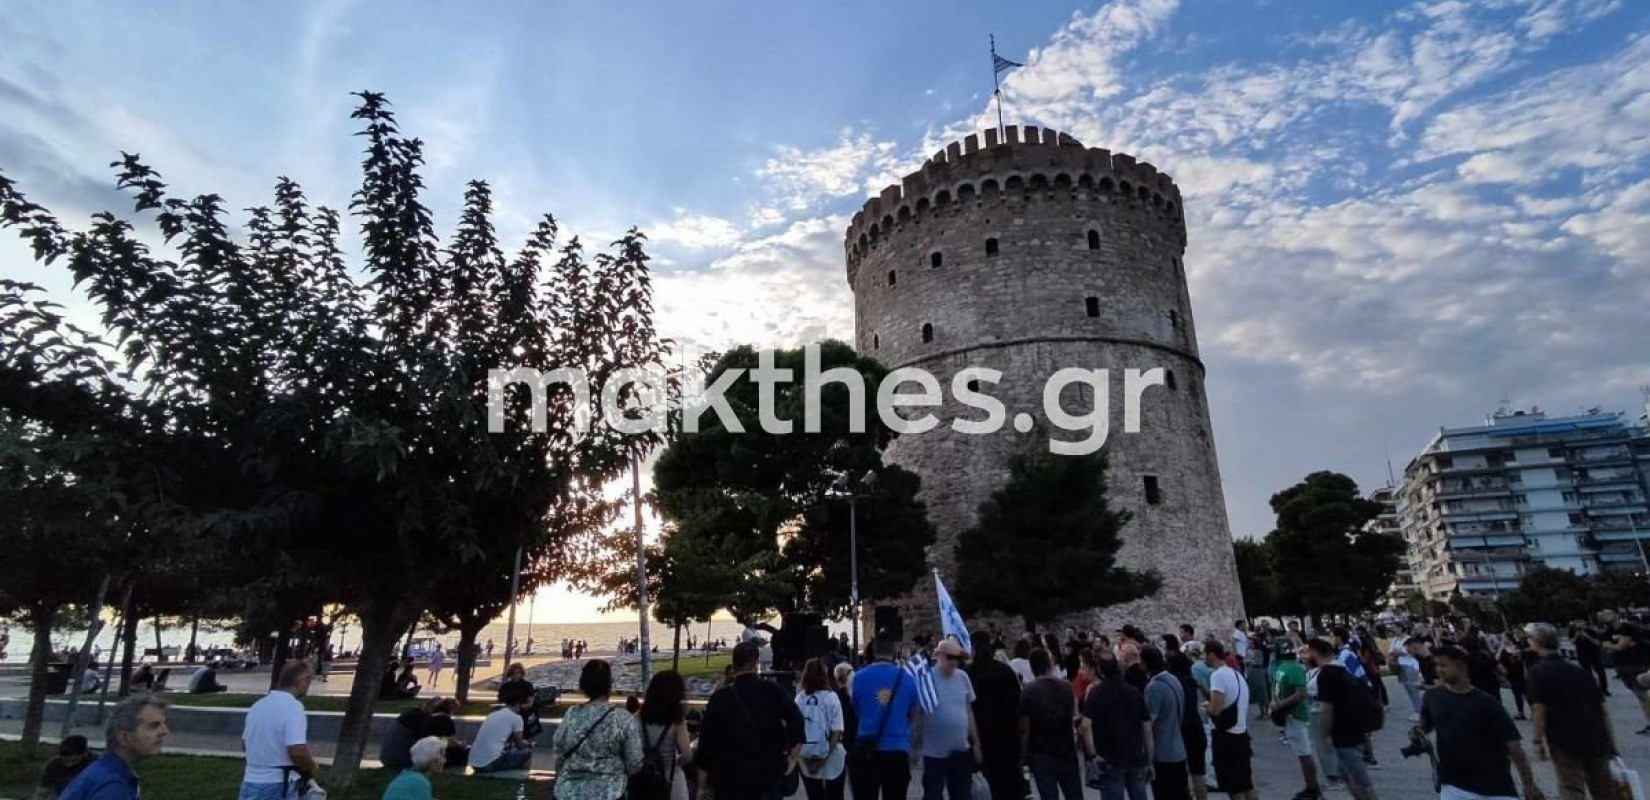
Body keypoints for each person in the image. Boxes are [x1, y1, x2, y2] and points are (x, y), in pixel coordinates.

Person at [1421, 644, 1546, 800]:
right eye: (1437, 665)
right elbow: (1424, 726)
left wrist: (1528, 784)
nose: (1438, 669)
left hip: (1494, 787)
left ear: (1461, 666)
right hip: (1453, 785)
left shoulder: (1487, 703)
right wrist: (1416, 735)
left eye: (1444, 665)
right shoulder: (1432, 697)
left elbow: (1513, 745)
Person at [697, 641, 804, 800]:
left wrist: (701, 786)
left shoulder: (719, 698)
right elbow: (797, 720)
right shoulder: (773, 691)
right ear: (756, 663)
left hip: (729, 781)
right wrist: (793, 758)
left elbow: (706, 745)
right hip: (767, 778)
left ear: (734, 665)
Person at [1525, 623, 1616, 800]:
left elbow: (1539, 709)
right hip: (1596, 735)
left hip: (1564, 740)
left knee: (1572, 788)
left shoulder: (1537, 672)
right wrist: (1611, 742)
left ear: (1536, 642)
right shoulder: (1580, 671)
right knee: (1603, 788)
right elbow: (1602, 708)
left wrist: (1537, 740)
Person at [57, 695, 168, 800]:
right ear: (124, 737)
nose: (165, 731)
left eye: (164, 724)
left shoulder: (105, 770)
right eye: (154, 726)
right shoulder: (113, 786)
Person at [1306, 639, 1379, 800]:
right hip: (1352, 731)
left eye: (1307, 652)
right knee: (1351, 779)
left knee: (1361, 783)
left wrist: (1324, 734)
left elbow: (1326, 709)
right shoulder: (1341, 668)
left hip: (1344, 735)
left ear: (1315, 652)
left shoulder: (1327, 675)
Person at [848, 637, 919, 800]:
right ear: (894, 652)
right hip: (897, 747)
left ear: (873, 652)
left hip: (867, 747)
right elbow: (912, 713)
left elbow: (856, 708)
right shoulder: (907, 679)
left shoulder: (858, 678)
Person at [239, 661, 317, 800]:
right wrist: (311, 765)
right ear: (301, 681)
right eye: (310, 680)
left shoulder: (259, 705)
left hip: (250, 782)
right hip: (278, 784)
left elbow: (245, 744)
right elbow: (296, 750)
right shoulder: (293, 707)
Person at [918, 639, 983, 800]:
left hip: (960, 749)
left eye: (958, 658)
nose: (954, 662)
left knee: (962, 794)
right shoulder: (926, 679)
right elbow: (917, 713)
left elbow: (968, 711)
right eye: (950, 657)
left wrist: (976, 743)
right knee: (933, 794)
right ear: (938, 655)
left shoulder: (963, 677)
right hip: (934, 752)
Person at [1082, 652, 1152, 800]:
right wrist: (1149, 759)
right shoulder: (1134, 692)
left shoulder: (1096, 693)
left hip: (1109, 757)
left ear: (1099, 670)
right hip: (1135, 755)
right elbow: (1147, 728)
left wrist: (1093, 754)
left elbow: (1086, 725)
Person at [966, 630, 1023, 800]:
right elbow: (1018, 704)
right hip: (1006, 738)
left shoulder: (969, 674)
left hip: (981, 737)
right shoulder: (1005, 671)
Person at [1020, 647, 1083, 800]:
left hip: (1041, 751)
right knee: (1074, 793)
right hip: (1066, 747)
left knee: (1048, 795)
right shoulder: (1066, 686)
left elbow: (1025, 727)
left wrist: (1023, 754)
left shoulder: (1028, 691)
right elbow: (1075, 716)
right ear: (1048, 664)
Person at [1203, 641, 1256, 800]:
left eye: (1205, 654)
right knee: (1246, 783)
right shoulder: (1236, 674)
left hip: (1226, 737)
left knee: (1233, 787)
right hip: (1240, 733)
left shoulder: (1217, 675)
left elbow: (1216, 709)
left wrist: (1206, 706)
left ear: (1211, 654)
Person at [1271, 643, 1320, 800]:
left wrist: (1281, 704)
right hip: (1288, 714)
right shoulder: (1282, 667)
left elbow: (1301, 693)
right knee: (1301, 752)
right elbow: (1275, 687)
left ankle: (1313, 788)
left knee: (1304, 753)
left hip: (1296, 714)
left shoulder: (1294, 668)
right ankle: (1311, 785)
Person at [1141, 646, 1190, 800]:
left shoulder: (1154, 688)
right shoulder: (1174, 680)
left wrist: (1147, 760)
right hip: (1179, 750)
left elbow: (1148, 726)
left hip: (1163, 755)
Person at [639, 670, 695, 800]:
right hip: (672, 781)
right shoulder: (677, 721)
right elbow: (687, 756)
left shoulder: (637, 717)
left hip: (644, 781)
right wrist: (675, 762)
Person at [795, 659, 846, 800]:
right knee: (835, 795)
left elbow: (795, 730)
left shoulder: (800, 699)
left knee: (814, 795)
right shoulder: (831, 698)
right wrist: (822, 759)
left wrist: (810, 762)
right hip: (832, 755)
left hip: (806, 756)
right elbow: (837, 731)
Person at [1167, 650, 1210, 800]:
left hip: (1183, 731)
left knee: (1186, 776)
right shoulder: (1191, 681)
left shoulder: (1174, 683)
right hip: (1196, 728)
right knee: (1198, 774)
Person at [472, 684, 536, 773]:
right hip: (489, 764)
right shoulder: (516, 718)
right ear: (518, 704)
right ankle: (522, 777)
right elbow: (520, 745)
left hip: (474, 763)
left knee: (508, 752)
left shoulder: (492, 714)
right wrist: (527, 744)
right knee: (527, 752)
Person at [381, 736, 445, 800]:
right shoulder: (420, 783)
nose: (444, 760)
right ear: (432, 761)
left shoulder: (407, 775)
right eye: (442, 756)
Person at [35, 735, 96, 800]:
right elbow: (42, 791)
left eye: (73, 759)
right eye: (64, 759)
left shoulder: (95, 766)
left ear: (85, 754)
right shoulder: (55, 765)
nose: (67, 762)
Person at [1571, 622, 1609, 697]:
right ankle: (1592, 690)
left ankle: (1604, 690)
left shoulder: (1591, 631)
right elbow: (1572, 642)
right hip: (1582, 656)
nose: (1578, 624)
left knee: (1601, 673)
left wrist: (1588, 637)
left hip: (1594, 654)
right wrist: (1576, 636)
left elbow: (1597, 643)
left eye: (1580, 621)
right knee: (1587, 674)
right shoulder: (1573, 631)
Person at [1498, 635, 1529, 721]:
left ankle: (1532, 709)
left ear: (1509, 639)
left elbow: (1523, 660)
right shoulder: (1503, 650)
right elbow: (1497, 659)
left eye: (1504, 638)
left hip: (1520, 673)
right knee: (1516, 693)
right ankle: (1520, 712)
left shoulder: (1517, 648)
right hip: (1511, 674)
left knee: (1526, 692)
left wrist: (1525, 670)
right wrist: (1500, 648)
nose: (1503, 640)